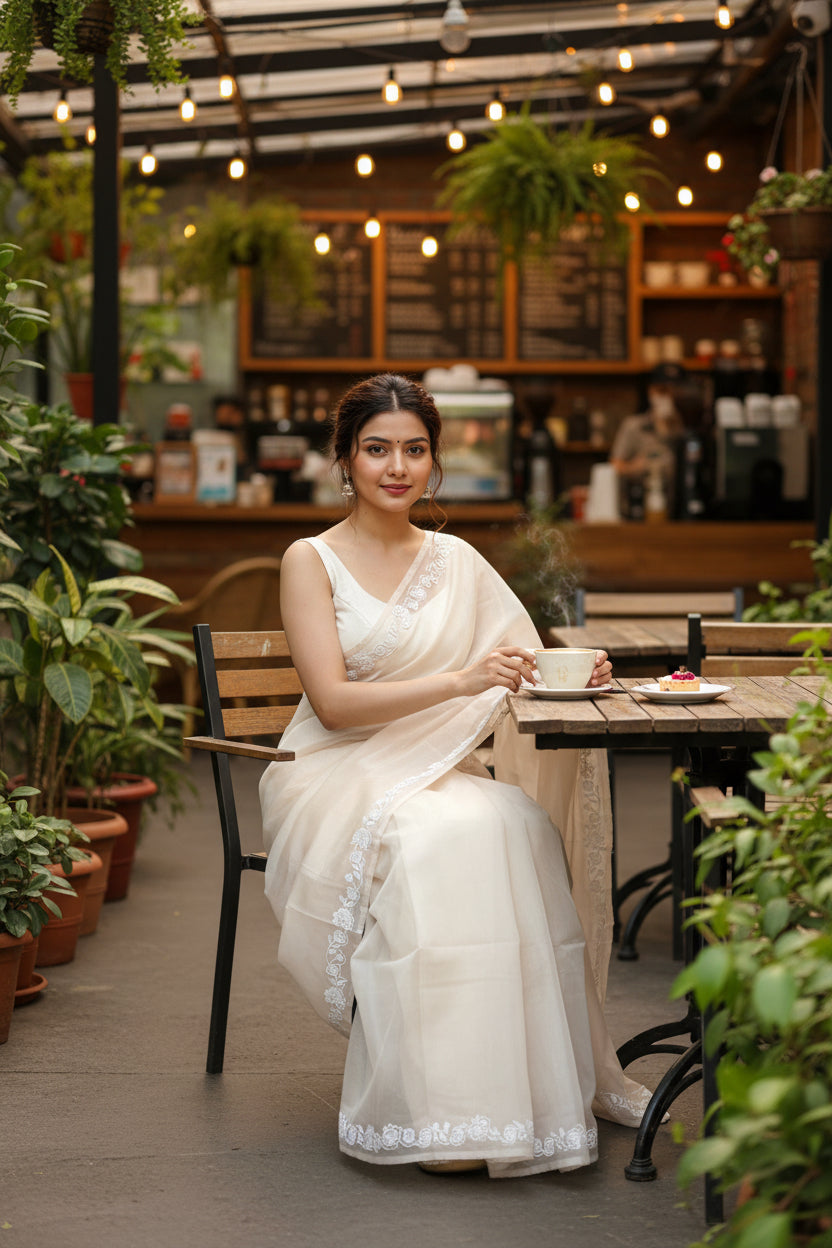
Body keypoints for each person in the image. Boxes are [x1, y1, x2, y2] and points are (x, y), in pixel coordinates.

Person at [260, 373, 654, 1178]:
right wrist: (462, 681)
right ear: (345, 459)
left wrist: (571, 669)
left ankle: (510, 1102)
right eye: (377, 449)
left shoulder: (457, 559)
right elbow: (333, 705)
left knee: (511, 824)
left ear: (433, 463)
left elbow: (515, 659)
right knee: (441, 839)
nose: (395, 467)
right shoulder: (312, 560)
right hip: (335, 771)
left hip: (433, 767)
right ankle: (435, 1113)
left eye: (413, 449)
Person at [609, 362, 687, 517]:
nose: (668, 397)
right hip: (641, 512)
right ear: (650, 391)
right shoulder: (634, 426)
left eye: (675, 392)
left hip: (682, 513)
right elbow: (614, 466)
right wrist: (634, 467)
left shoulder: (689, 429)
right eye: (662, 391)